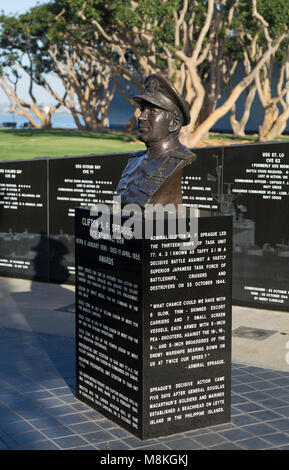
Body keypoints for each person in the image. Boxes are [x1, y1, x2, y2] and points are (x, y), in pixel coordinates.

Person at [116, 73, 196, 208]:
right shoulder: (134, 161)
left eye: (152, 111)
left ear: (174, 123)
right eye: (142, 109)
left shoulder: (179, 162)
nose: (141, 117)